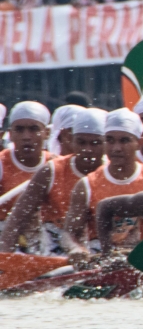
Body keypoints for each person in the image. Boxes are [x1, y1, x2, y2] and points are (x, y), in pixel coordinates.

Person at [0, 108, 105, 254]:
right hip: (55, 247)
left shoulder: (114, 173)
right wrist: (6, 262)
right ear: (72, 141)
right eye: (81, 142)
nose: (87, 149)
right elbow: (16, 220)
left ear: (107, 143)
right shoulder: (52, 171)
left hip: (98, 247)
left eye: (95, 143)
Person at [62, 109, 143, 257]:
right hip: (103, 262)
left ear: (140, 143)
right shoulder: (87, 185)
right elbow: (68, 233)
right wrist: (74, 248)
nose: (116, 148)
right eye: (110, 140)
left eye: (124, 140)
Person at [0, 102, 53, 231]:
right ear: (10, 134)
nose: (26, 137)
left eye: (34, 129)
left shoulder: (56, 165)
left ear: (46, 133)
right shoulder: (1, 163)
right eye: (19, 129)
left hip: (45, 235)